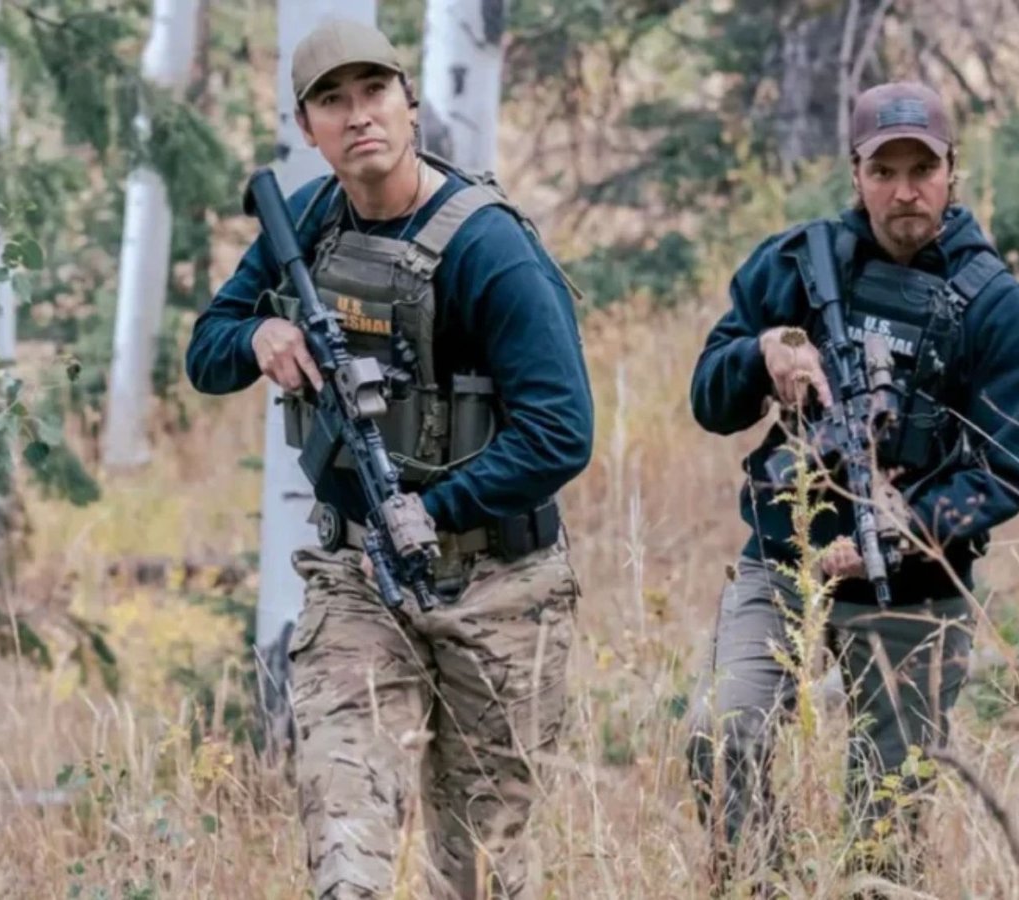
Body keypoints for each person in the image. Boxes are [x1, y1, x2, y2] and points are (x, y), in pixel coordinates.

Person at [183, 18, 593, 900]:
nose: (358, 114)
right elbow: (205, 351)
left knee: (480, 866)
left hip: (499, 585)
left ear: (409, 102)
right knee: (345, 834)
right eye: (333, 100)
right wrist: (258, 335)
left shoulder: (489, 248)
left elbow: (562, 432)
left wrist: (434, 511)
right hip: (359, 578)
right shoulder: (306, 223)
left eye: (374, 91)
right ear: (307, 126)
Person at [684, 80, 1019, 891]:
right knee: (721, 733)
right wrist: (762, 356)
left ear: (953, 171)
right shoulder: (795, 264)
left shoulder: (996, 305)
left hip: (913, 586)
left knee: (885, 824)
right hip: (784, 558)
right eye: (885, 172)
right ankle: (762, 886)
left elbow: (1006, 471)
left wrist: (898, 529)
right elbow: (708, 398)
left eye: (923, 170)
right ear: (856, 174)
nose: (904, 191)